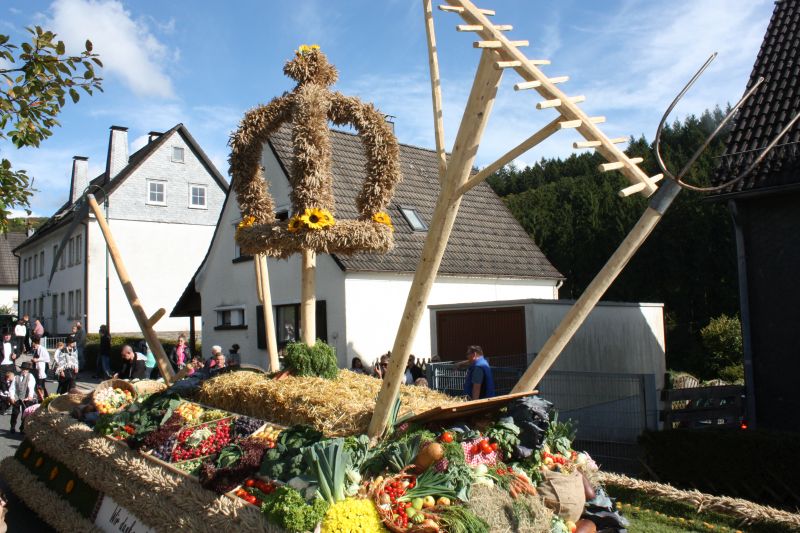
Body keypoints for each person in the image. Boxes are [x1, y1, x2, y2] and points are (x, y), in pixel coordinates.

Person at [9, 362, 36, 433]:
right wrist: (12, 397)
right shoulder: (16, 376)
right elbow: (12, 388)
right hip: (17, 396)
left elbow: (31, 387)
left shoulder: (30, 376)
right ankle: (12, 426)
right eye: (23, 369)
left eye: (26, 369)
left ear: (28, 370)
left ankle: (22, 427)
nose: (24, 370)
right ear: (21, 369)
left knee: (25, 413)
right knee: (15, 413)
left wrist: (30, 396)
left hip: (26, 397)